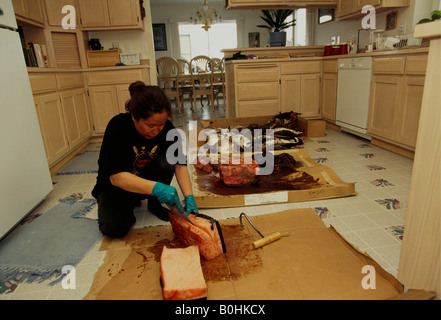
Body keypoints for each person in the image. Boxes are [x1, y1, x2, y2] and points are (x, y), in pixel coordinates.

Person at [91, 81, 198, 238]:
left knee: (167, 159)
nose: (156, 130)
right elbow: (116, 178)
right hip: (117, 187)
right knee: (114, 227)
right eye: (150, 125)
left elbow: (179, 166)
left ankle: (154, 203)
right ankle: (132, 201)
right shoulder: (117, 127)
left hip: (148, 183)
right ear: (134, 117)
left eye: (161, 124)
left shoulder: (168, 129)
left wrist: (189, 197)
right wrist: (158, 189)